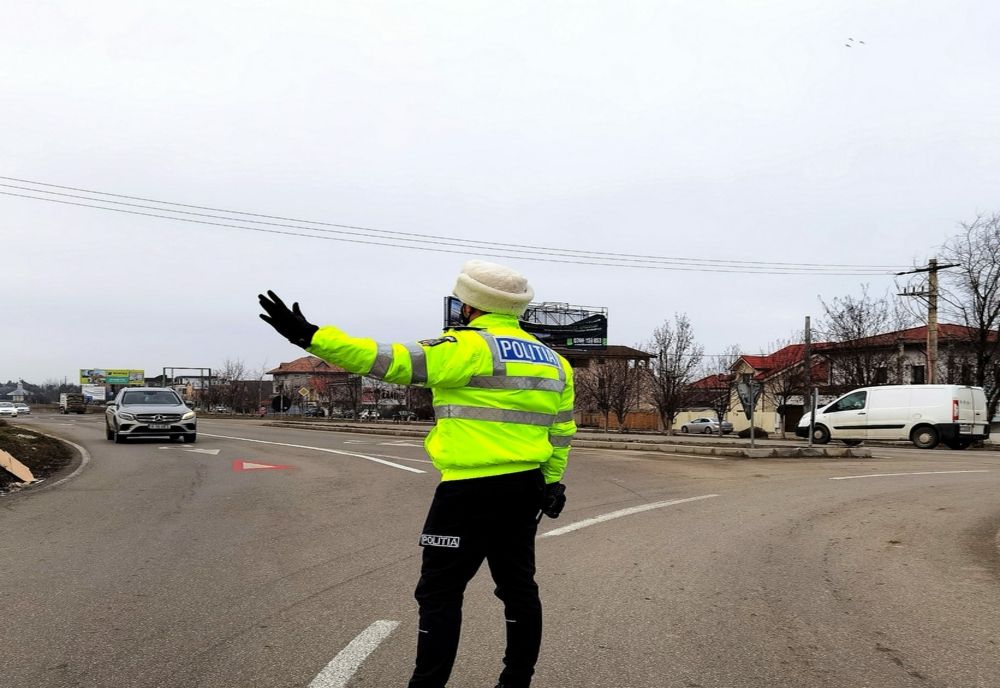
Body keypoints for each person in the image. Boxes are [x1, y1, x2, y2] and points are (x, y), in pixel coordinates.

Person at [258, 260, 575, 688]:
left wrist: (311, 336)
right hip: (526, 489)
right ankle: (515, 682)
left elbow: (386, 359)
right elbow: (561, 432)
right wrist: (552, 483)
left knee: (440, 594)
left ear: (470, 306)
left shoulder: (465, 347)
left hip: (468, 490)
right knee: (518, 589)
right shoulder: (555, 363)